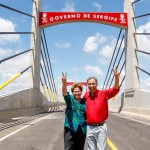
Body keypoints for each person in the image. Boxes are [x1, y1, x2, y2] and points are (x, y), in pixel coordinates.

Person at [84, 66, 120, 150]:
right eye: (89, 84)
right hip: (89, 127)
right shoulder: (86, 95)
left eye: (93, 83)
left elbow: (115, 90)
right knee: (90, 149)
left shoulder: (104, 94)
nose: (91, 85)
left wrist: (117, 78)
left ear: (97, 84)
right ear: (87, 85)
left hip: (100, 127)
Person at [61, 72, 87, 150]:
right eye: (75, 91)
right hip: (70, 127)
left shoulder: (84, 101)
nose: (77, 93)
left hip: (81, 129)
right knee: (68, 148)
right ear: (72, 92)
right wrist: (64, 83)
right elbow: (64, 93)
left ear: (81, 91)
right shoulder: (70, 99)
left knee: (79, 148)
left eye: (78, 91)